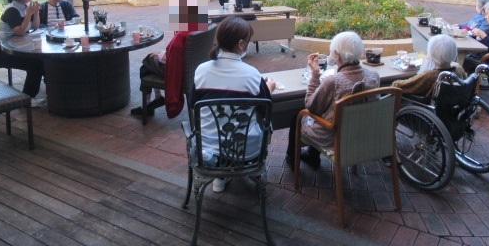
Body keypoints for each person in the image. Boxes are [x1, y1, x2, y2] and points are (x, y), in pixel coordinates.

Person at [191, 16, 276, 192]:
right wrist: (268, 88)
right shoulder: (253, 75)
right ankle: (242, 172)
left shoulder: (201, 70)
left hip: (207, 150)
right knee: (262, 123)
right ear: (241, 45)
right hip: (245, 152)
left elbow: (194, 105)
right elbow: (264, 109)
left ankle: (220, 177)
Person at [285, 31, 380, 170]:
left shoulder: (332, 81)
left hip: (333, 137)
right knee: (327, 110)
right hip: (362, 133)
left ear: (336, 54)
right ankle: (312, 155)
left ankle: (293, 159)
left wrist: (315, 75)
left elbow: (311, 106)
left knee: (298, 117)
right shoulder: (374, 76)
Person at [132, 0, 209, 118]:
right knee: (150, 61)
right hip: (192, 68)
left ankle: (148, 104)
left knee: (145, 64)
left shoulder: (180, 37)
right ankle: (157, 97)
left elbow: (173, 62)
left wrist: (159, 55)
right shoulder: (200, 28)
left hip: (178, 69)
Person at [0, 0, 45, 106]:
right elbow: (20, 31)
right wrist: (29, 13)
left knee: (43, 61)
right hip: (1, 52)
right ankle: (27, 99)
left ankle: (54, 90)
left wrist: (36, 12)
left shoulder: (23, 8)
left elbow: (35, 26)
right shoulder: (12, 10)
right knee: (36, 65)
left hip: (14, 48)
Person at [391, 35, 466, 97]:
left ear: (432, 54)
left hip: (426, 107)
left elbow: (398, 86)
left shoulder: (430, 76)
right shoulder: (460, 70)